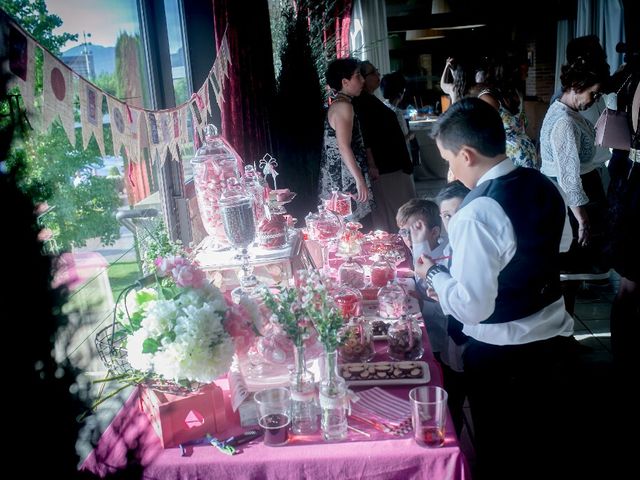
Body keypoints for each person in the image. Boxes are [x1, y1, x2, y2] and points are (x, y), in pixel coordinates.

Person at [416, 98, 578, 479]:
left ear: (467, 155)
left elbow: (472, 307)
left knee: (502, 452)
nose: (448, 169)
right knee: (546, 446)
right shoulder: (544, 183)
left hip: (503, 356)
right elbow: (564, 243)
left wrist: (436, 277)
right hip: (554, 341)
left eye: (448, 159)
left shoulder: (476, 213)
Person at [539, 54, 610, 313]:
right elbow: (569, 179)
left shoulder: (562, 107)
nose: (595, 99)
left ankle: (565, 334)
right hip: (572, 200)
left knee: (570, 277)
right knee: (568, 274)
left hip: (573, 194)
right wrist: (583, 221)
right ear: (576, 88)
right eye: (593, 93)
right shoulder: (564, 122)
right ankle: (563, 336)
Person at [606, 48, 640, 385]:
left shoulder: (627, 79)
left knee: (630, 285)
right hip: (636, 187)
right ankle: (625, 359)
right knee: (631, 285)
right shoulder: (633, 81)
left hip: (627, 179)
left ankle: (624, 356)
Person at [352, 61, 416, 232]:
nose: (378, 75)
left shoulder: (369, 100)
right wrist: (372, 164)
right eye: (373, 72)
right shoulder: (362, 103)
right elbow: (367, 138)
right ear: (363, 79)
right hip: (386, 167)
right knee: (401, 214)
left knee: (397, 213)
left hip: (390, 165)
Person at [318, 58, 374, 224]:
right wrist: (359, 180)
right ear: (345, 82)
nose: (362, 80)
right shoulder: (344, 106)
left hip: (340, 176)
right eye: (357, 75)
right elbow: (343, 147)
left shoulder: (340, 104)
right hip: (344, 179)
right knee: (356, 229)